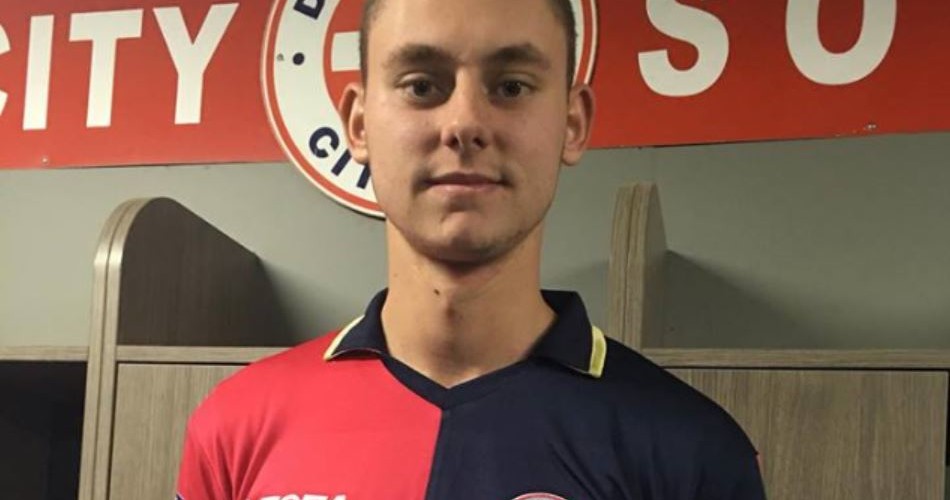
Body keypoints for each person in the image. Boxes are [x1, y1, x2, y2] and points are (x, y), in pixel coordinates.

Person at [176, 0, 767, 498]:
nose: (464, 123)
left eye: (511, 87)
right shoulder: (234, 429)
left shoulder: (694, 453)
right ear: (358, 124)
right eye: (421, 85)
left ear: (572, 122)